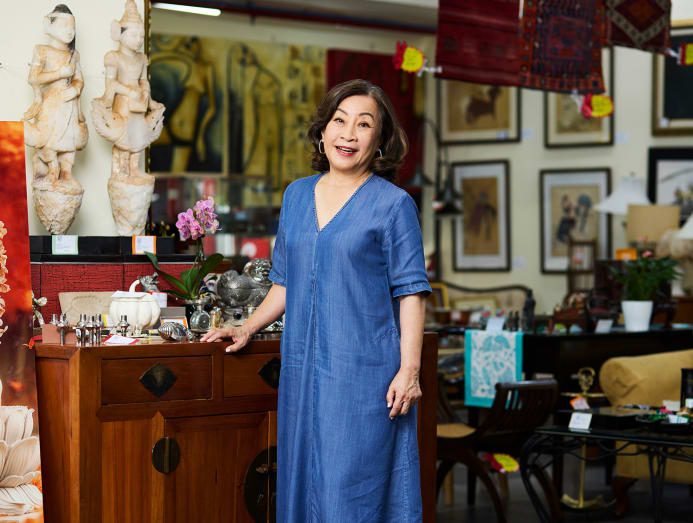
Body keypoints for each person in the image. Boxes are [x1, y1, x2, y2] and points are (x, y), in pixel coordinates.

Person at [202, 78, 431, 521]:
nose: (349, 134)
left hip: (365, 376)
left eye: (364, 124)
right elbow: (285, 283)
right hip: (302, 371)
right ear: (323, 131)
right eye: (339, 121)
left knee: (352, 492)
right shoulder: (296, 196)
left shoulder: (394, 205)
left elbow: (411, 293)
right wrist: (246, 327)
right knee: (303, 483)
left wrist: (409, 371)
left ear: (380, 140)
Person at [23, 3, 88, 188]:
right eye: (63, 25)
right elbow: (33, 78)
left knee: (69, 139)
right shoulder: (42, 50)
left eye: (72, 27)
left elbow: (79, 79)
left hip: (70, 102)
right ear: (49, 25)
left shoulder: (74, 55)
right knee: (50, 137)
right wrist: (59, 73)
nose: (69, 31)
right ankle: (52, 168)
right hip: (51, 103)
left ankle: (66, 172)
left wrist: (75, 89)